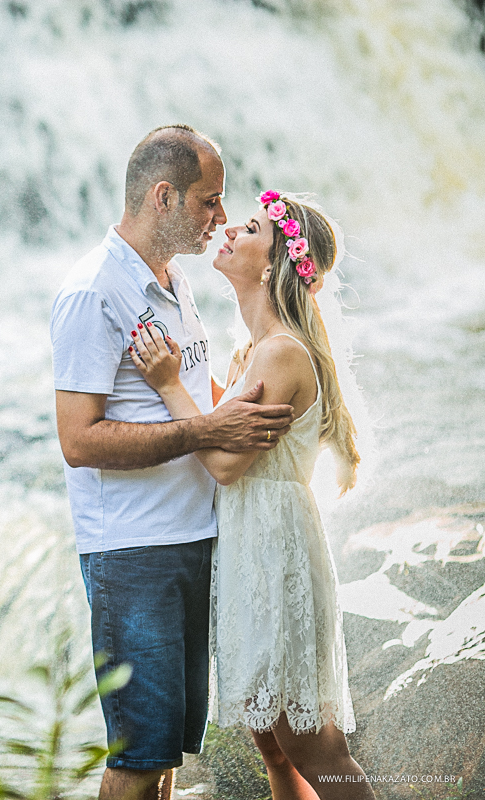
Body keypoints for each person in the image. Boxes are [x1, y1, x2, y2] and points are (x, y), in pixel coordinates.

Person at [51, 124, 296, 800]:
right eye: (208, 201)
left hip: (192, 537)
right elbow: (78, 441)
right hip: (134, 551)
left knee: (165, 759)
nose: (221, 216)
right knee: (137, 759)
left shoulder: (174, 280)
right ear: (164, 196)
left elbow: (196, 396)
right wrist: (206, 430)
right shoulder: (94, 292)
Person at [130, 192, 375, 800]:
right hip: (251, 547)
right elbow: (219, 417)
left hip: (274, 551)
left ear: (273, 265)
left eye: (252, 227)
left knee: (312, 744)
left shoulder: (282, 354)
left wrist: (167, 384)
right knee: (272, 742)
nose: (231, 229)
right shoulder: (255, 351)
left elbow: (222, 463)